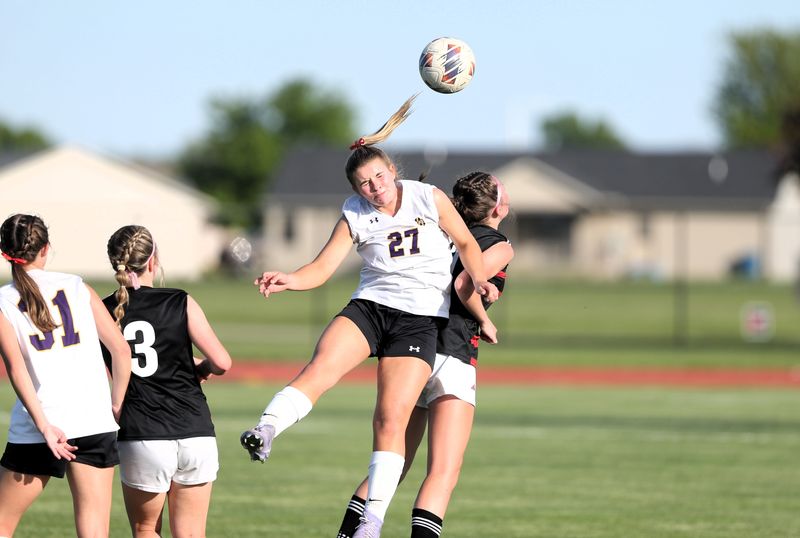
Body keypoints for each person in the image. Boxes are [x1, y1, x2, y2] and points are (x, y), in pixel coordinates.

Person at [239, 96, 499, 538]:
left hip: (418, 320)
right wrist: (288, 279)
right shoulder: (354, 213)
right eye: (364, 184)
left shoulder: (428, 198)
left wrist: (479, 281)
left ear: (392, 170)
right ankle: (266, 429)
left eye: (379, 177)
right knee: (319, 369)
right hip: (370, 308)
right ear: (356, 188)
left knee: (389, 419)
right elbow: (321, 269)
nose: (375, 188)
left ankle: (371, 524)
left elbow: (470, 245)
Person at [336, 172, 513, 538]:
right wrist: (485, 320)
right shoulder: (499, 243)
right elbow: (465, 283)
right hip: (453, 353)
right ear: (497, 205)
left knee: (392, 463)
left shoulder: (441, 228)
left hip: (413, 347)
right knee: (443, 472)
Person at [0, 213, 131, 537]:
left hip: (41, 426)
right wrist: (114, 405)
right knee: (94, 530)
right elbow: (120, 350)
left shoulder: (3, 300)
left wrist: (45, 427)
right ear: (46, 248)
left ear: (5, 252)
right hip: (93, 421)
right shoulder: (77, 286)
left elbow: (17, 370)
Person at [102, 225, 232, 538]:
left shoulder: (104, 310)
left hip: (143, 432)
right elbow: (223, 363)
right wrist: (201, 369)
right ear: (152, 261)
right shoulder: (179, 300)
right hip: (194, 431)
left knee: (146, 528)